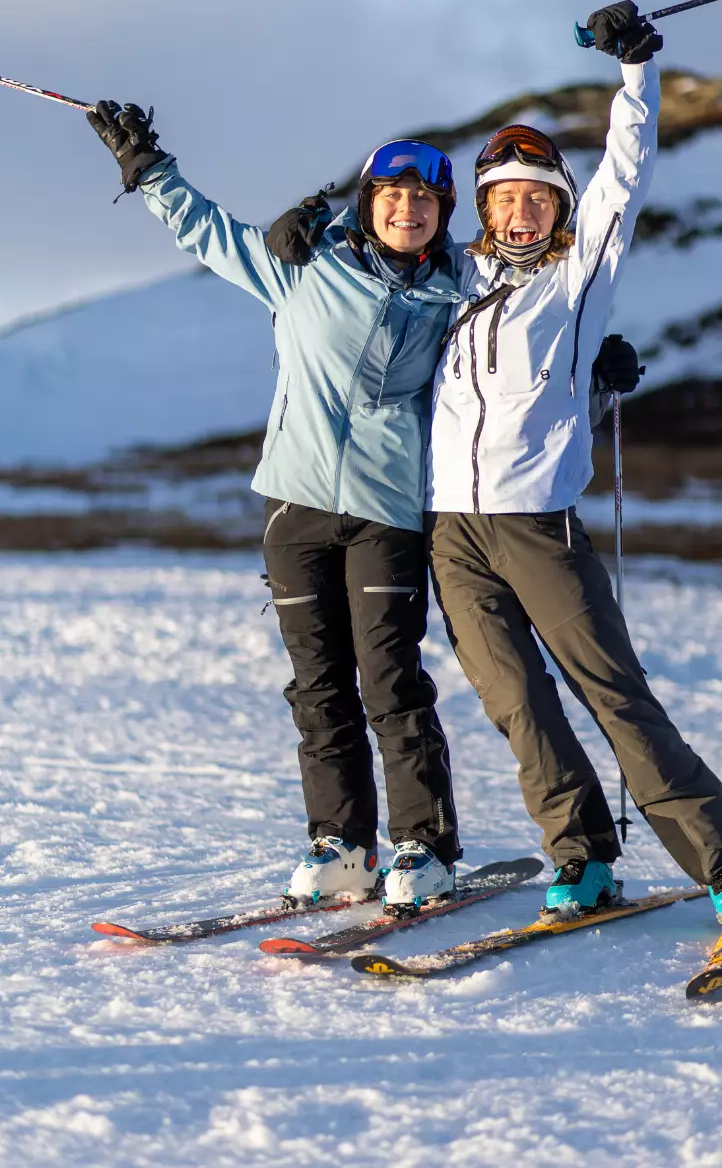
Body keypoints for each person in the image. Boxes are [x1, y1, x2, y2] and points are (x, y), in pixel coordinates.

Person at [425, 1, 722, 926]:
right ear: (484, 209)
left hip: (539, 525)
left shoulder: (579, 277)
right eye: (504, 197)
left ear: (561, 208)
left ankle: (720, 864)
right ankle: (581, 857)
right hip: (450, 532)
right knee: (517, 705)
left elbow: (627, 172)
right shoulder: (451, 279)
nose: (521, 210)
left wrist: (635, 74)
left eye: (538, 197)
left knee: (612, 693)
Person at [86, 104, 464, 912]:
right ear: (368, 203)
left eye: (424, 199)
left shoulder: (458, 290)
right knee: (318, 685)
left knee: (390, 682)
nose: (407, 208)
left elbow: (529, 327)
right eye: (392, 194)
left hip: (388, 511)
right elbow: (210, 234)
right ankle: (342, 843)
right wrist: (149, 170)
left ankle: (424, 846)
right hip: (296, 509)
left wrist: (593, 359)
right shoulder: (304, 264)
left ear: (442, 214)